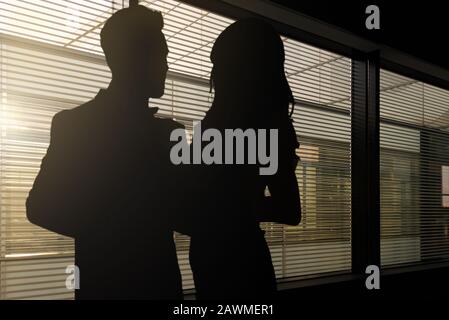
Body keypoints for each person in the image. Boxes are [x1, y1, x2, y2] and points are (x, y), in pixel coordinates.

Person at [26, 2, 184, 300]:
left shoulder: (170, 134)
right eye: (161, 55)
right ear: (135, 57)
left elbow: (184, 213)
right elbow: (39, 207)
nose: (166, 65)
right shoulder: (74, 125)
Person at [188, 18, 302, 300]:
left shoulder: (270, 125)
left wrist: (230, 207)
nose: (214, 74)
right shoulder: (216, 122)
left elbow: (290, 210)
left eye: (221, 64)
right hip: (213, 260)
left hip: (239, 265)